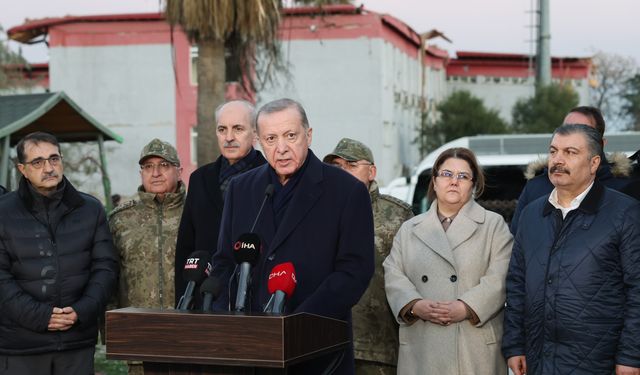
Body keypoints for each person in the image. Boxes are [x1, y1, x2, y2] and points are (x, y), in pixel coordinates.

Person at [212, 98, 375, 374]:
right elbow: (224, 261)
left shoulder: (346, 191)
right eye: (271, 138)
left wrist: (296, 324)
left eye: (291, 136)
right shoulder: (241, 189)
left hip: (318, 352)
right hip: (252, 353)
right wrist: (226, 321)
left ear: (308, 135)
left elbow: (355, 270)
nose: (282, 148)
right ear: (258, 141)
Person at [502, 124, 640, 375]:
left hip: (599, 363)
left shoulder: (625, 213)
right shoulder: (532, 214)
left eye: (570, 152)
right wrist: (514, 344)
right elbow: (516, 283)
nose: (558, 160)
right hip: (538, 359)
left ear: (594, 162)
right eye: (553, 151)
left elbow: (638, 290)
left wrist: (632, 356)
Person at [384, 147, 513, 375]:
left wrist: (467, 307)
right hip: (422, 345)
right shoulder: (409, 229)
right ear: (434, 182)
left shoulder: (494, 226)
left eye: (462, 176)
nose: (454, 181)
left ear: (473, 185)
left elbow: (500, 278)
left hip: (473, 347)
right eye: (446, 174)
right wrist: (414, 305)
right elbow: (393, 274)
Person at [0, 131, 118, 375]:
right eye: (38, 162)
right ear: (22, 169)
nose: (48, 167)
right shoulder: (4, 212)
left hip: (76, 343)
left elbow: (105, 267)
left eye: (54, 159)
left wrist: (82, 310)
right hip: (22, 345)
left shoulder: (90, 209)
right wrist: (42, 316)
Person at [324, 138, 413, 374]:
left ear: (372, 171)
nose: (342, 172)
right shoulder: (315, 211)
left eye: (351, 165)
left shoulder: (398, 216)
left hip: (378, 348)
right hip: (326, 344)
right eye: (336, 166)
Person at [175, 100, 266, 306]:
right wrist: (183, 301)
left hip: (254, 298)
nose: (229, 137)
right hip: (204, 296)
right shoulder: (200, 179)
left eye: (238, 129)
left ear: (255, 133)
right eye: (222, 129)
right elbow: (186, 246)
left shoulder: (271, 178)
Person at [510, 106, 632, 233]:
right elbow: (517, 241)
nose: (570, 134)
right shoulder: (535, 187)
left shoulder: (626, 189)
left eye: (582, 129)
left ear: (600, 144)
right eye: (566, 128)